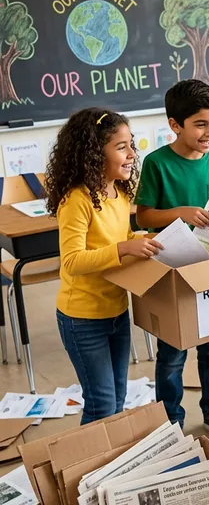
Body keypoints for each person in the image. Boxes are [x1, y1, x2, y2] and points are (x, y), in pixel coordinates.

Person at [136, 79, 209, 442]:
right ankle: (170, 422)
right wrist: (180, 212)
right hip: (173, 271)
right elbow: (144, 217)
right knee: (172, 354)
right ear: (175, 125)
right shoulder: (157, 163)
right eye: (200, 124)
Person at [47, 108, 163, 425]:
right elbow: (72, 261)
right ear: (95, 153)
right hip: (82, 318)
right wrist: (125, 247)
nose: (131, 153)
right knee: (101, 404)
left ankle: (109, 468)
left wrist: (139, 238)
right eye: (121, 146)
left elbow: (115, 238)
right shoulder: (77, 200)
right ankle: (88, 472)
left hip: (115, 311)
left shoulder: (118, 191)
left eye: (131, 145)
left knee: (117, 399)